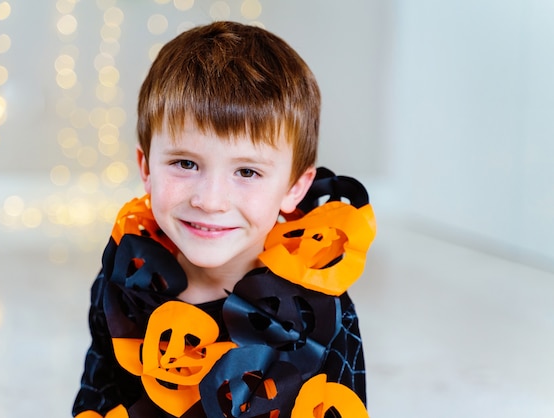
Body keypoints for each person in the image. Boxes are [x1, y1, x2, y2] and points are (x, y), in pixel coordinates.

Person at [72, 21, 376, 418]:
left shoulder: (319, 313)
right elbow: (98, 396)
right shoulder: (127, 283)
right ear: (146, 167)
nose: (211, 201)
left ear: (294, 188)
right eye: (185, 163)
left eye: (247, 172)